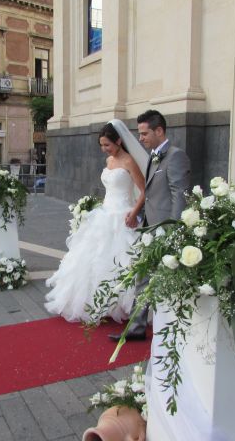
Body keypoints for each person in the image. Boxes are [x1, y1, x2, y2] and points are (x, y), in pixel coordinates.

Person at [44, 121, 147, 323]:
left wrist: (134, 213)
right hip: (104, 213)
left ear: (118, 140)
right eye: (101, 145)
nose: (104, 149)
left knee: (120, 260)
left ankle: (121, 305)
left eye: (107, 144)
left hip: (124, 216)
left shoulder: (129, 162)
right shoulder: (109, 161)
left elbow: (144, 191)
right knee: (94, 258)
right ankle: (95, 303)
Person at [110, 109, 191, 341]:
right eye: (139, 133)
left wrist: (172, 231)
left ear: (159, 130)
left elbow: (179, 196)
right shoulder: (153, 156)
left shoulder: (176, 156)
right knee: (142, 278)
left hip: (165, 230)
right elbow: (153, 193)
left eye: (145, 133)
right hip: (150, 228)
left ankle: (171, 329)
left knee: (166, 281)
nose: (141, 138)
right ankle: (136, 328)